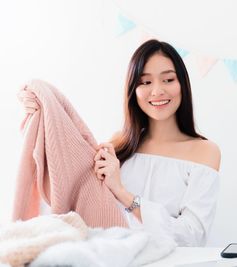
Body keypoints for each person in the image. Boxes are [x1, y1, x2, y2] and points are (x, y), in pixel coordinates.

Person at [18, 39, 221, 246]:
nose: (158, 91)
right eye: (146, 82)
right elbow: (74, 192)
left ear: (182, 84)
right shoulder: (118, 146)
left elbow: (192, 236)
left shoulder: (205, 152)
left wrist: (123, 193)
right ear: (133, 90)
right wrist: (42, 120)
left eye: (168, 80)